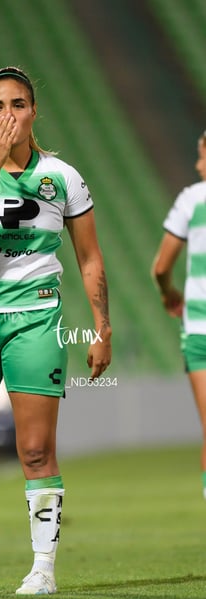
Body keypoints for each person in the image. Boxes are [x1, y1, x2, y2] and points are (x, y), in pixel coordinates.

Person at [0, 66, 112, 599]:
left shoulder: (64, 178)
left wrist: (102, 325)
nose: (9, 115)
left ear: (34, 112)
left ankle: (43, 569)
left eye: (18, 104)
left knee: (35, 450)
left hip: (35, 318)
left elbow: (90, 257)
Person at [152, 130, 206, 499]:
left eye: (202, 156)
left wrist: (168, 293)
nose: (198, 164)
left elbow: (160, 267)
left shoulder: (192, 199)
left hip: (200, 325)